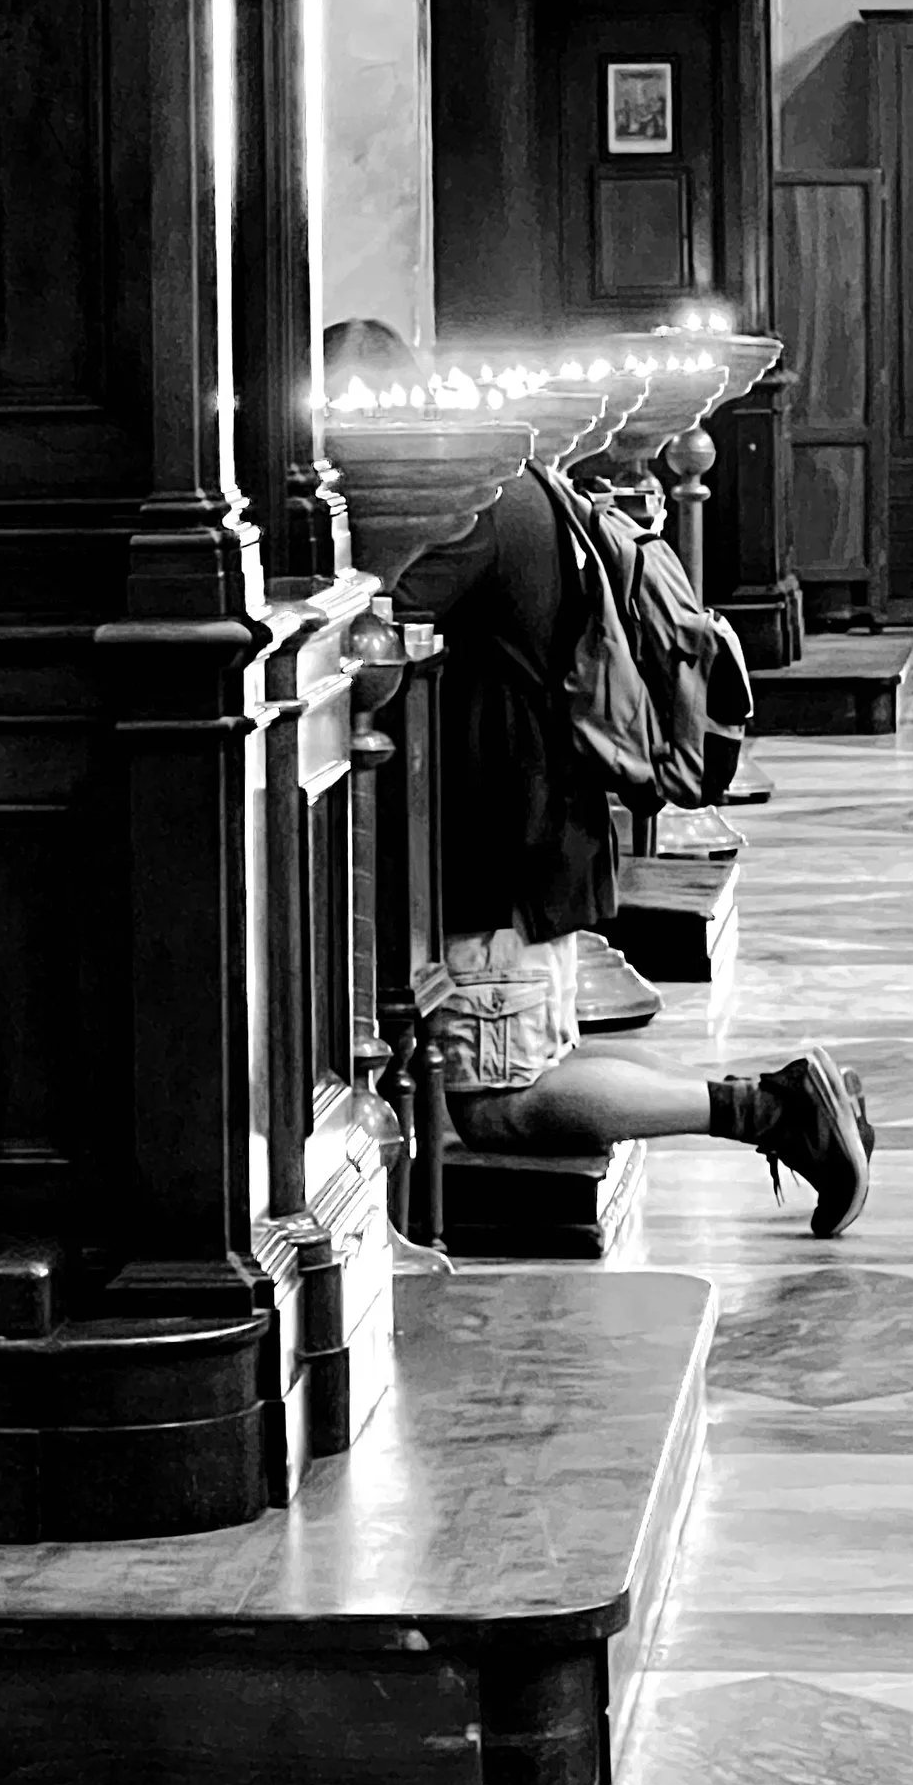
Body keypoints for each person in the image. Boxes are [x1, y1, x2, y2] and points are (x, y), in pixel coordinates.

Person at [325, 317, 872, 1237]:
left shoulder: (459, 510)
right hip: (529, 833)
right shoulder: (512, 481)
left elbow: (365, 628)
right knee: (501, 1078)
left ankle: (777, 1110)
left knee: (502, 1101)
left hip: (498, 848)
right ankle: (774, 1106)